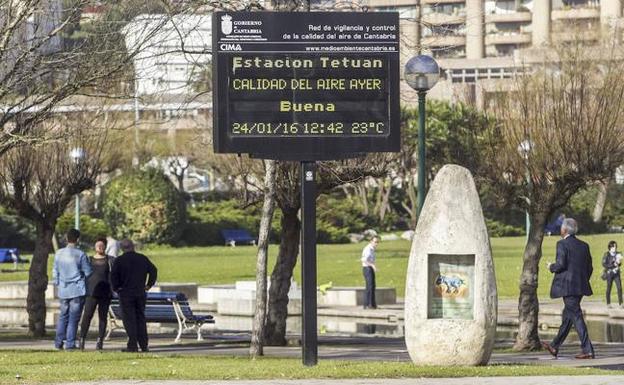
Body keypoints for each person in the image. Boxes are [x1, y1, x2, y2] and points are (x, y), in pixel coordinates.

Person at [542, 218, 594, 359]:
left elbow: (561, 264)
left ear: (564, 230)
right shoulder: (584, 245)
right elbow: (590, 268)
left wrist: (550, 267)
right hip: (580, 286)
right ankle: (554, 346)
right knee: (568, 317)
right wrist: (582, 280)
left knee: (576, 316)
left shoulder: (561, 244)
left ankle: (588, 349)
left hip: (568, 287)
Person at [111, 239, 157, 352]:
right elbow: (153, 270)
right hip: (140, 292)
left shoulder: (119, 260)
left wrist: (117, 288)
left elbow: (113, 276)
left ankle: (132, 345)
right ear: (133, 246)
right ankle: (144, 344)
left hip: (126, 293)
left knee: (129, 319)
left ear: (122, 248)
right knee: (140, 318)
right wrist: (148, 285)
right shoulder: (142, 258)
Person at [52, 229, 92, 350]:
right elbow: (88, 272)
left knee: (63, 316)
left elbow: (55, 271)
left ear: (66, 238)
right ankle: (70, 343)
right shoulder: (81, 254)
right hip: (77, 289)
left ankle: (58, 342)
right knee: (73, 318)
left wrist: (58, 283)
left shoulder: (58, 253)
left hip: (63, 289)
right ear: (78, 239)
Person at [79, 238, 115, 350]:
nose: (100, 247)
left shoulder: (110, 260)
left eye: (102, 245)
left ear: (105, 247)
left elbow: (114, 275)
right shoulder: (89, 260)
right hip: (91, 292)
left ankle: (100, 341)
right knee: (87, 316)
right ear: (94, 247)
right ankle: (82, 339)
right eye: (97, 245)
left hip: (105, 293)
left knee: (103, 317)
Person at [602, 240, 623, 308]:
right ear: (610, 247)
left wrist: (619, 262)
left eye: (615, 246)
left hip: (616, 273)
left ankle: (621, 303)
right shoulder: (606, 254)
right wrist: (613, 265)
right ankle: (608, 303)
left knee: (619, 288)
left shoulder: (618, 254)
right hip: (609, 273)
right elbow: (604, 264)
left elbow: (619, 264)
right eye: (613, 247)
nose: (615, 248)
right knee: (609, 288)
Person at [361, 236, 379, 310]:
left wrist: (373, 266)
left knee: (372, 286)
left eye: (377, 242)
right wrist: (373, 266)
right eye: (375, 242)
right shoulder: (368, 249)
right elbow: (364, 260)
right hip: (367, 268)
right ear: (371, 241)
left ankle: (373, 304)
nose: (376, 243)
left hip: (370, 268)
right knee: (369, 287)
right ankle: (368, 304)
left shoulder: (372, 249)